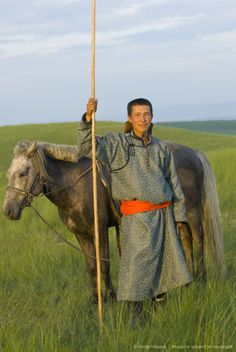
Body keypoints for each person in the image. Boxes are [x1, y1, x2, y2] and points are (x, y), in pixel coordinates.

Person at [77, 97, 192, 324]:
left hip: (164, 215)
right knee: (137, 266)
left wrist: (179, 216)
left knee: (163, 263)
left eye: (146, 114)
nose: (142, 119)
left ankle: (160, 314)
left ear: (152, 116)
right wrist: (87, 118)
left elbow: (173, 182)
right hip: (137, 217)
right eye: (137, 115)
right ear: (130, 118)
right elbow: (85, 148)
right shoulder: (118, 144)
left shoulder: (161, 148)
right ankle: (135, 319)